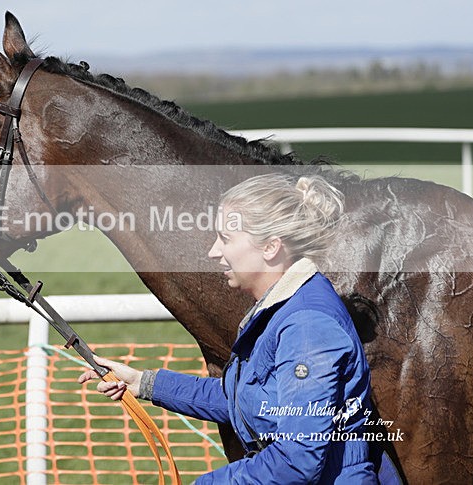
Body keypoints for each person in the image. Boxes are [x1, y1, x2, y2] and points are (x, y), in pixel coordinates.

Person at [78, 173, 380, 484]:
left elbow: (298, 458)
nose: (213, 251)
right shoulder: (284, 309)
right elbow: (248, 398)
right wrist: (144, 384)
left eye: (226, 238)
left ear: (270, 247)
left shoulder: (307, 327)